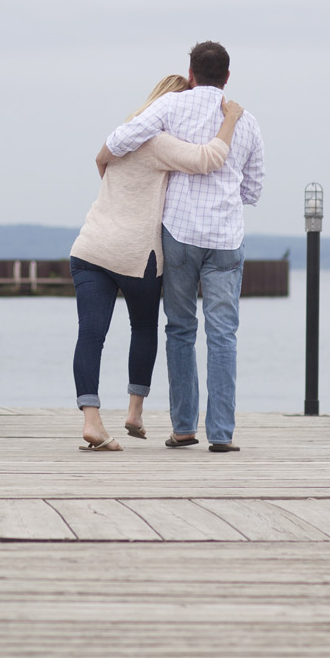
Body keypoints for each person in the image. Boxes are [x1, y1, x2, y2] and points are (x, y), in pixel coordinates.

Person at [100, 41, 264, 452]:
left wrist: (109, 166)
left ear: (190, 74)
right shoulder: (246, 121)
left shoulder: (172, 108)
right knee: (224, 336)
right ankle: (222, 435)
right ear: (227, 76)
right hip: (226, 239)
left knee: (180, 330)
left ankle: (184, 428)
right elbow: (254, 189)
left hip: (180, 234)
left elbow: (122, 138)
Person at [67, 76, 245, 452]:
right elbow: (208, 159)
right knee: (144, 326)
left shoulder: (120, 138)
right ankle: (134, 411)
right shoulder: (159, 143)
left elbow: (100, 160)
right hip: (137, 255)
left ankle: (91, 420)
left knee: (90, 335)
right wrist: (230, 119)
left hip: (91, 246)